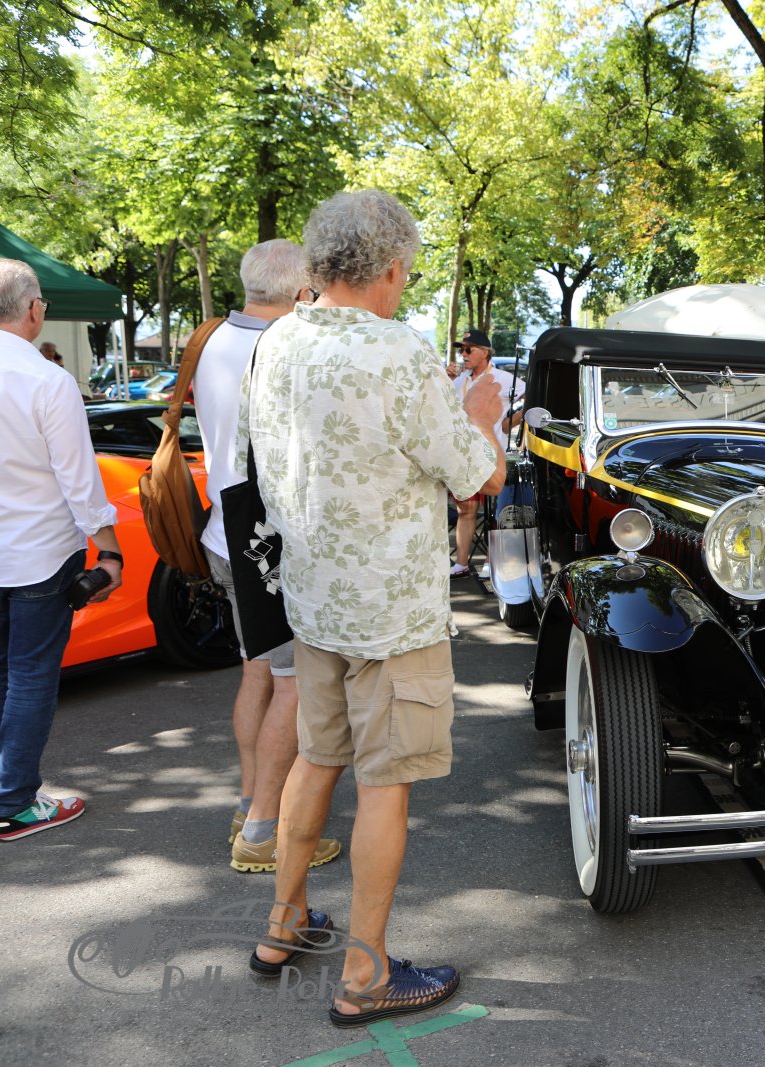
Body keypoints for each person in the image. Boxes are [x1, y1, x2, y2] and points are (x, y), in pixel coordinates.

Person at [243, 191, 505, 1026]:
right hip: (391, 611)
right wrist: (482, 418)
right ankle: (364, 975)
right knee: (386, 782)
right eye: (407, 272)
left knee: (316, 760)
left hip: (314, 597)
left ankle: (283, 924)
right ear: (390, 268)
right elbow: (480, 476)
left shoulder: (279, 339)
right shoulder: (397, 351)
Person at [194, 240, 341, 873]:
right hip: (268, 543)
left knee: (258, 674)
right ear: (303, 290)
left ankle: (249, 804)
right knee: (293, 685)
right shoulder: (283, 348)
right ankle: (262, 832)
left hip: (224, 532)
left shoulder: (212, 339)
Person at [0, 258, 122, 840]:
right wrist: (110, 552)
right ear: (33, 309)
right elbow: (80, 480)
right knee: (31, 676)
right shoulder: (46, 379)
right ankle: (14, 802)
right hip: (39, 553)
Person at [449, 328, 518, 580]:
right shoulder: (458, 381)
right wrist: (443, 380)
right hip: (465, 455)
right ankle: (461, 564)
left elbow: (530, 398)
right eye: (461, 350)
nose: (463, 354)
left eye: (468, 349)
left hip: (492, 453)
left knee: (494, 510)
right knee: (466, 508)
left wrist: (508, 424)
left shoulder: (503, 378)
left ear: (485, 352)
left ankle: (490, 561)